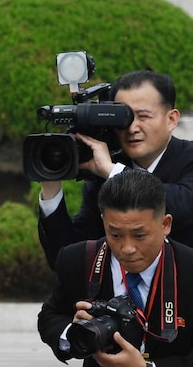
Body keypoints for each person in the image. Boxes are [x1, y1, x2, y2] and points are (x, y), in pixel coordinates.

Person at [38, 169, 193, 367]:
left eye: (139, 235)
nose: (127, 248)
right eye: (115, 234)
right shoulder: (77, 259)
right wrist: (75, 332)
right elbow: (50, 317)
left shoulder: (189, 270)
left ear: (166, 225)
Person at [38, 69, 193, 269]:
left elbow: (183, 205)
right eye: (124, 118)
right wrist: (51, 187)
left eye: (143, 116)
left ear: (171, 119)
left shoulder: (187, 158)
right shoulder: (104, 176)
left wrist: (112, 172)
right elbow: (67, 258)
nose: (132, 128)